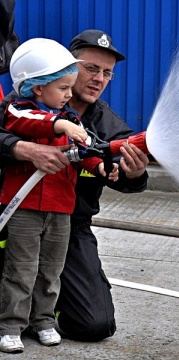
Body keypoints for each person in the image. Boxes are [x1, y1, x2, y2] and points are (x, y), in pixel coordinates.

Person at [0, 38, 119, 353]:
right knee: (21, 267)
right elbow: (25, 123)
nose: (69, 94)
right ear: (37, 87)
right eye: (63, 88)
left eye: (69, 87)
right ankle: (11, 326)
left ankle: (43, 322)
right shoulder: (19, 109)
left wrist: (103, 167)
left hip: (61, 209)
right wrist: (59, 124)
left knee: (51, 268)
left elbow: (84, 151)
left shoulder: (72, 119)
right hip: (24, 208)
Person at [53, 29, 149, 342]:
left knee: (95, 325)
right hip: (18, 224)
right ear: (68, 67)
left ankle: (53, 303)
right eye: (91, 68)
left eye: (107, 73)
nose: (99, 78)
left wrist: (133, 175)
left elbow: (125, 178)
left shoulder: (111, 127)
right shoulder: (35, 104)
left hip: (71, 228)